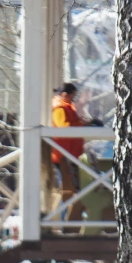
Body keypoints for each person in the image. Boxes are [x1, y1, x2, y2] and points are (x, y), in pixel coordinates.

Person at [51, 83, 99, 233]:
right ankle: (66, 225)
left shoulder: (66, 106)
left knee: (73, 190)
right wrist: (82, 124)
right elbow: (64, 127)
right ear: (65, 94)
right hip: (64, 155)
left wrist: (80, 123)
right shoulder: (59, 108)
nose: (74, 98)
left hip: (70, 154)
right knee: (68, 191)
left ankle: (70, 223)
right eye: (72, 95)